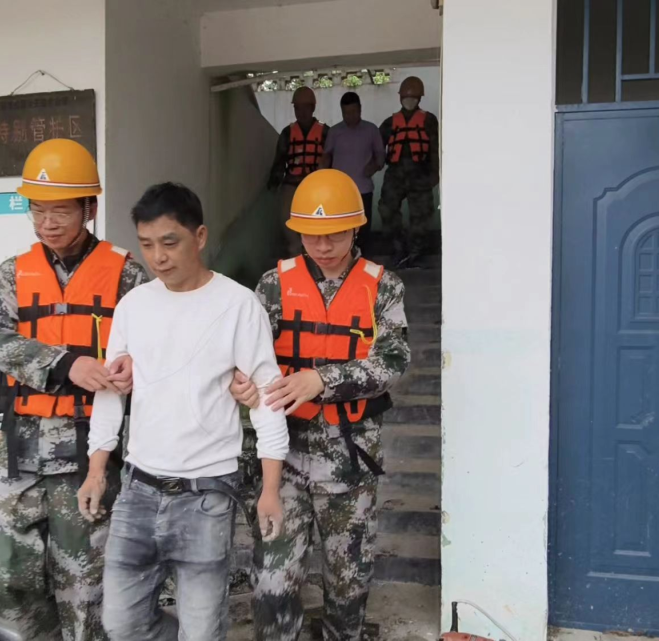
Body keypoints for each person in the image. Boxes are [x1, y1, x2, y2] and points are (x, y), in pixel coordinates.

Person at [78, 182, 289, 641]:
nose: (158, 257)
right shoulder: (133, 306)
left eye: (170, 242)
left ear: (200, 237)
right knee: (122, 624)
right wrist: (97, 470)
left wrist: (270, 488)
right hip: (138, 489)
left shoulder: (238, 305)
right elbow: (111, 392)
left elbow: (268, 397)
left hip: (206, 494)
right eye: (147, 244)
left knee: (201, 630)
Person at [230, 169, 411, 641]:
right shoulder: (273, 284)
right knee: (273, 579)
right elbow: (244, 355)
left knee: (348, 579)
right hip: (282, 456)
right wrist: (240, 383)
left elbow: (393, 361)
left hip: (351, 455)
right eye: (312, 236)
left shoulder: (383, 286)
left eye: (334, 235)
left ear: (356, 228)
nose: (323, 246)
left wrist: (322, 380)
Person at [0, 138, 147, 640]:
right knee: (7, 577)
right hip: (18, 452)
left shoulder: (127, 274)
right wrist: (65, 364)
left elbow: (152, 347)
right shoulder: (13, 272)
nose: (47, 223)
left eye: (60, 211)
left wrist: (131, 368)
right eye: (38, 211)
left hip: (87, 453)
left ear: (89, 209)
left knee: (85, 585)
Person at [378, 76, 440, 268]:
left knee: (421, 215)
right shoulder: (389, 123)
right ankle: (398, 248)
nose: (409, 100)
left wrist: (435, 173)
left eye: (413, 97)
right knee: (386, 209)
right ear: (400, 97)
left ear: (420, 98)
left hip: (420, 173)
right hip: (395, 173)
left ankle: (416, 253)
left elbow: (435, 148)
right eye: (406, 97)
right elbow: (377, 148)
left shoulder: (429, 120)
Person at [320, 92, 385, 255]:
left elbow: (381, 155)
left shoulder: (371, 130)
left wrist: (375, 166)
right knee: (341, 230)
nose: (350, 116)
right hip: (339, 191)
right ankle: (343, 261)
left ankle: (363, 262)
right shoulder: (334, 132)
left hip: (363, 190)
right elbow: (326, 156)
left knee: (363, 231)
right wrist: (321, 176)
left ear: (360, 109)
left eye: (354, 112)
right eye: (346, 113)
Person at [268, 86, 330, 255]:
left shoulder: (325, 132)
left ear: (313, 108)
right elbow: (279, 160)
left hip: (316, 186)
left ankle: (316, 257)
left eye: (305, 108)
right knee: (287, 223)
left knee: (317, 225)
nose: (301, 112)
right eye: (297, 108)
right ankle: (295, 255)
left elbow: (332, 160)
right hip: (291, 184)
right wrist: (273, 183)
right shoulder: (287, 133)